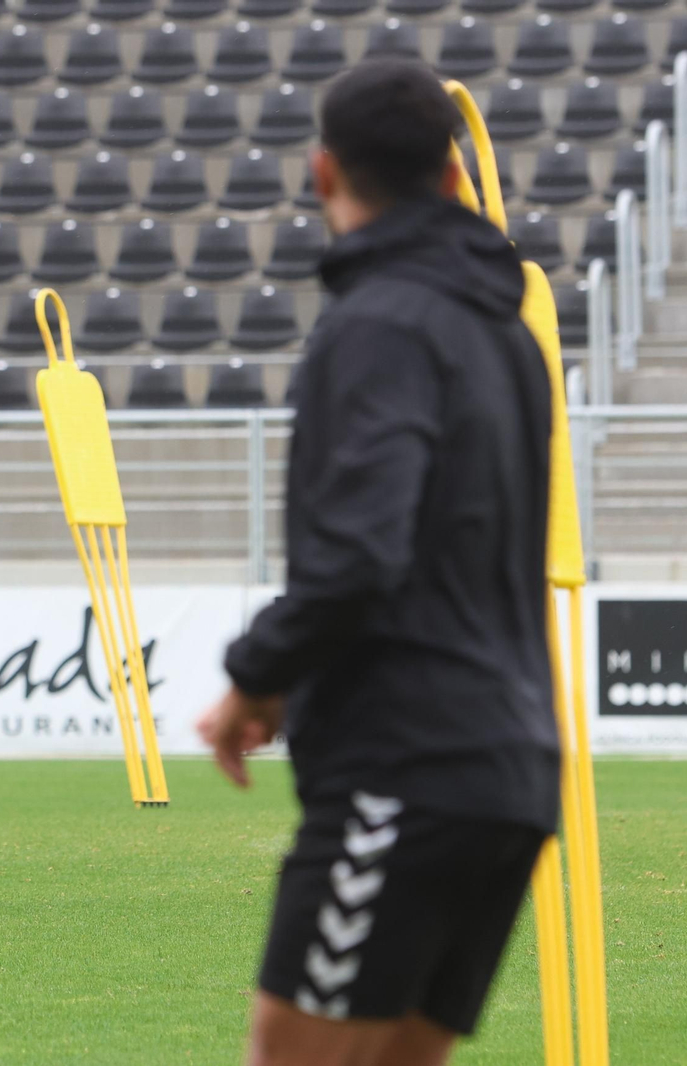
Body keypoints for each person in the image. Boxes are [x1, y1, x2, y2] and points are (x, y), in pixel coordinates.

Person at [196, 61, 560, 1066]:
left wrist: (254, 677)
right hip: (511, 769)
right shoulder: (507, 333)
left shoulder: (378, 324)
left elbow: (359, 554)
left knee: (293, 1055)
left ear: (323, 172)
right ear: (451, 176)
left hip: (404, 767)